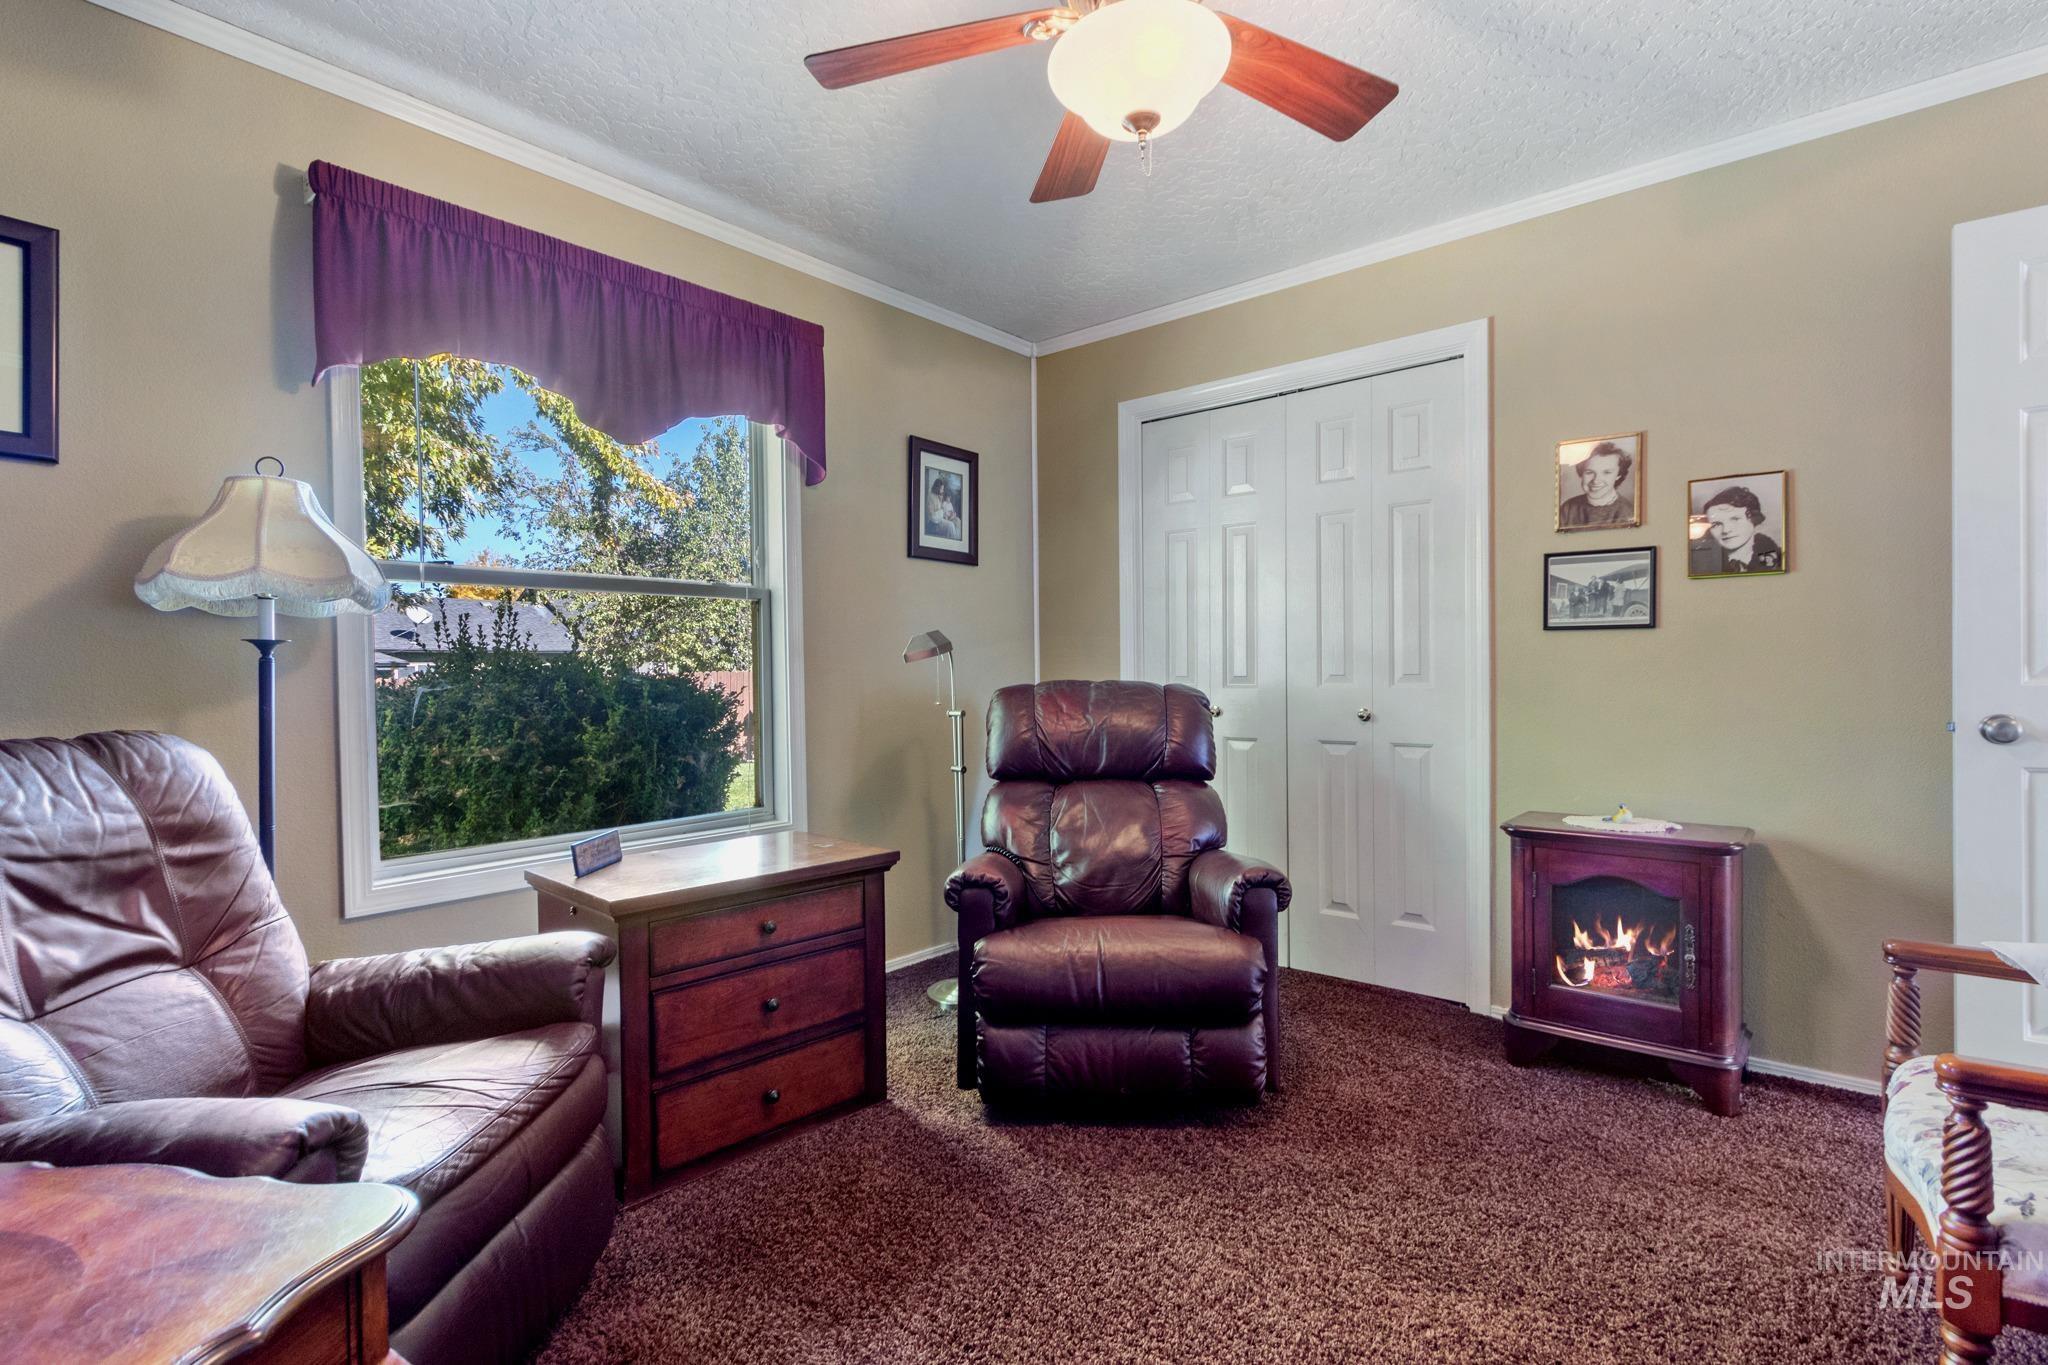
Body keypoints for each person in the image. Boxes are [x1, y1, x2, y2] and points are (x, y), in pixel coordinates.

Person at [1690, 484, 1782, 574]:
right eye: (1716, 524)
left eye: (1735, 519)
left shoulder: (1778, 559)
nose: (1726, 530)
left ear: (1753, 519)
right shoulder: (1698, 562)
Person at [1558, 441, 1635, 527]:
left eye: (1607, 472)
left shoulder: (1627, 513)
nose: (1596, 480)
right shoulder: (1568, 508)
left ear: (1619, 475)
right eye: (1589, 472)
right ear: (1581, 473)